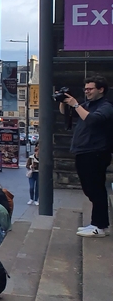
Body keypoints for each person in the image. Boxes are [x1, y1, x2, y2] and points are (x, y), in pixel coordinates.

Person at [60, 76, 113, 237]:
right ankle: (96, 223)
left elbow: (92, 120)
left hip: (96, 152)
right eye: (85, 89)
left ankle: (100, 226)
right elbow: (68, 113)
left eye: (90, 89)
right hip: (83, 151)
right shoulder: (88, 105)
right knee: (89, 189)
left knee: (96, 189)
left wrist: (76, 104)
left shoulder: (106, 106)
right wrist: (64, 101)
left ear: (101, 89)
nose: (86, 92)